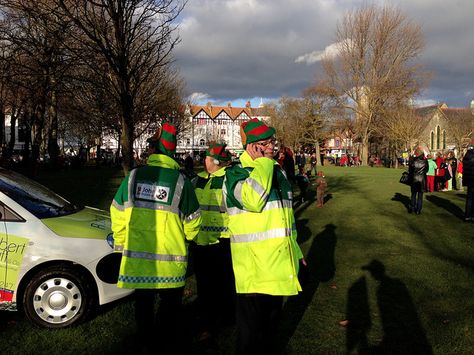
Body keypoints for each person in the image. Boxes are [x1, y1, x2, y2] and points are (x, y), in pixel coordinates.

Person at [110, 122, 202, 352]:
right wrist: (186, 238)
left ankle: (145, 341)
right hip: (171, 261)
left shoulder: (133, 177)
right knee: (170, 307)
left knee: (143, 304)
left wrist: (121, 242)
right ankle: (167, 343)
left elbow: (117, 211)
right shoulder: (182, 181)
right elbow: (193, 221)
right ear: (171, 151)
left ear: (153, 150)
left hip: (140, 259)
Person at [223, 118, 304, 355]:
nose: (272, 147)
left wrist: (297, 253)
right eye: (266, 143)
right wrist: (265, 164)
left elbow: (286, 219)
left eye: (273, 142)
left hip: (278, 268)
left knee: (269, 335)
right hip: (254, 271)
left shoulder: (276, 172)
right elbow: (253, 200)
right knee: (249, 338)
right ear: (252, 146)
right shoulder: (235, 174)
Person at [191, 143, 235, 341]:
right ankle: (207, 322)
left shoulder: (228, 180)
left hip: (223, 243)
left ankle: (227, 318)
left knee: (225, 283)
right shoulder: (197, 181)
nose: (204, 161)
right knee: (204, 285)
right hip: (200, 243)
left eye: (207, 158)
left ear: (215, 162)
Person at [408, 147, 428, 215]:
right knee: (420, 196)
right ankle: (418, 210)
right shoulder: (425, 161)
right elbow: (426, 170)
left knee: (413, 194)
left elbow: (410, 170)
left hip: (414, 179)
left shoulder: (413, 161)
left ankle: (412, 207)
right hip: (421, 179)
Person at [462, 142, 474, 222]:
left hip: (469, 179)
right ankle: (472, 216)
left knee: (469, 198)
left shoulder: (466, 156)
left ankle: (467, 215)